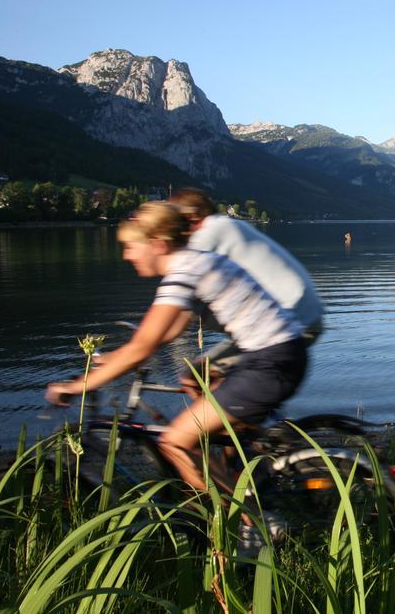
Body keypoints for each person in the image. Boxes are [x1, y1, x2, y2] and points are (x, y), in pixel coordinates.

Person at [45, 202, 308, 491]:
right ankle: (249, 473)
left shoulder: (185, 272)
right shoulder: (195, 262)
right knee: (210, 424)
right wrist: (114, 359)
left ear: (157, 244)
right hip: (277, 355)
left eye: (132, 246)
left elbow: (142, 348)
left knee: (174, 442)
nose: (126, 255)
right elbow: (166, 332)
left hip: (270, 364)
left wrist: (76, 387)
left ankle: (253, 523)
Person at [168, 188, 324, 345]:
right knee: (210, 366)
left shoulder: (210, 233)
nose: (174, 233)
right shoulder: (227, 224)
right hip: (300, 314)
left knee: (217, 367)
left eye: (174, 224)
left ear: (192, 217)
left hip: (291, 318)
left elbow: (181, 295)